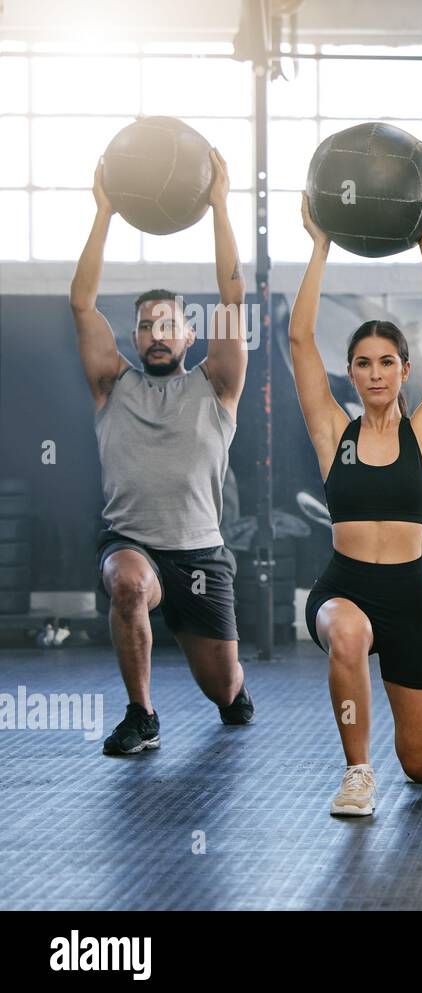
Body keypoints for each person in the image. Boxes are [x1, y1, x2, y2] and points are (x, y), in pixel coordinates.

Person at [71, 150, 254, 756]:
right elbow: (81, 303)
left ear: (188, 333)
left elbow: (233, 294)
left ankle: (233, 692)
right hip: (133, 544)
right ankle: (142, 716)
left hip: (200, 554)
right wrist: (104, 212)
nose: (155, 334)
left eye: (167, 324)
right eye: (145, 325)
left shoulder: (218, 384)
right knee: (126, 584)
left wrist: (221, 207)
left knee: (224, 694)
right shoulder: (111, 384)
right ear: (134, 336)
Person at [290, 193, 422, 817]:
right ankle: (357, 773)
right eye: (362, 364)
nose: (375, 373)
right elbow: (299, 337)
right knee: (348, 634)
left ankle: (401, 760)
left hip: (411, 596)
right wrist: (319, 245)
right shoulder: (331, 430)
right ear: (352, 374)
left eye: (386, 362)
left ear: (404, 370)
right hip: (346, 586)